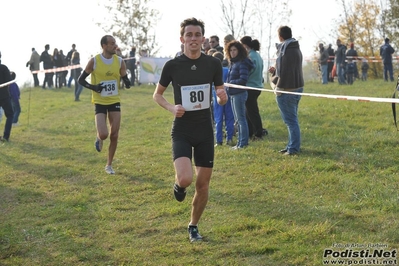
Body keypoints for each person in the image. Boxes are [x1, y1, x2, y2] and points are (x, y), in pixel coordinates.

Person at [152, 17, 227, 242]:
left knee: (203, 184)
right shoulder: (172, 66)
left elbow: (220, 96)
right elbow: (157, 95)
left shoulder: (213, 64)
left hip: (205, 130)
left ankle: (193, 225)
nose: (193, 39)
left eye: (197, 35)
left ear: (203, 39)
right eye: (189, 35)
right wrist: (171, 107)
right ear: (182, 39)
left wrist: (222, 99)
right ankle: (178, 185)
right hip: (182, 129)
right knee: (185, 179)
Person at [78, 35, 131, 175]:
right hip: (100, 102)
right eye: (112, 44)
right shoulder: (94, 61)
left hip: (114, 101)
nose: (115, 46)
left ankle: (109, 165)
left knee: (114, 135)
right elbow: (80, 80)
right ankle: (99, 137)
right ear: (104, 46)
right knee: (104, 134)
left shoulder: (120, 61)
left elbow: (125, 77)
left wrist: (127, 81)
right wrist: (94, 87)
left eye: (115, 43)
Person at [268, 26, 304, 156]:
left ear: (280, 37)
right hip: (297, 87)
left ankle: (293, 148)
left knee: (290, 121)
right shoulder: (296, 48)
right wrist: (276, 71)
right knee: (292, 120)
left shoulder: (284, 51)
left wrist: (273, 78)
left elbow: (282, 73)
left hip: (286, 89)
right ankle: (291, 145)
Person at [225, 40, 254, 150]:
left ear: (239, 50)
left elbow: (243, 79)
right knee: (237, 120)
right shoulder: (233, 63)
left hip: (239, 94)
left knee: (241, 119)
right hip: (232, 93)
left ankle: (243, 143)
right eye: (231, 50)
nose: (232, 52)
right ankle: (240, 142)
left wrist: (230, 84)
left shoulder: (242, 63)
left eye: (235, 50)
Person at [240, 36, 266, 140]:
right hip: (258, 86)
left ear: (244, 45)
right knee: (249, 111)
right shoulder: (257, 55)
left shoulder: (249, 57)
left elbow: (248, 72)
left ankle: (258, 133)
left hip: (250, 86)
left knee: (252, 111)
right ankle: (250, 132)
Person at [212, 51, 234, 147]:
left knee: (218, 119)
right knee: (229, 117)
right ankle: (229, 138)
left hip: (217, 97)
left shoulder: (213, 71)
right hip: (228, 95)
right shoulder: (228, 70)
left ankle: (219, 140)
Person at [0, 52, 14, 142]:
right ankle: (5, 136)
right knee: (10, 115)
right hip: (4, 95)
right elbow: (9, 82)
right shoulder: (3, 68)